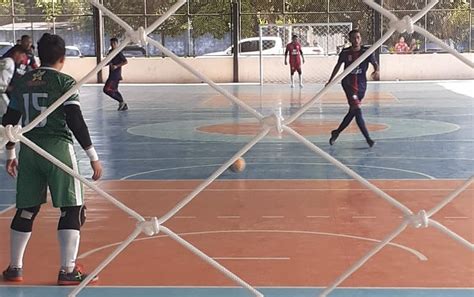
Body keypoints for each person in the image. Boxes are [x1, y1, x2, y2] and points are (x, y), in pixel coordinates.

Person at [2, 33, 102, 285]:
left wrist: (11, 153)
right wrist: (93, 156)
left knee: (26, 209)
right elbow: (75, 121)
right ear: (63, 57)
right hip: (57, 150)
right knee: (72, 208)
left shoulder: (23, 82)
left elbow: (9, 122)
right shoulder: (65, 82)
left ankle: (15, 267)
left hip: (29, 150)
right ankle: (68, 270)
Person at [326, 29, 379, 148]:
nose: (356, 40)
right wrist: (330, 80)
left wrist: (376, 71)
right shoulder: (345, 52)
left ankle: (336, 132)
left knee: (352, 112)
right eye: (354, 38)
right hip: (349, 84)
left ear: (361, 38)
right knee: (357, 110)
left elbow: (375, 64)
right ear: (349, 40)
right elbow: (338, 66)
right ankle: (368, 139)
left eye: (358, 37)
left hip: (361, 85)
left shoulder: (366, 51)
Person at [0, 46, 26, 116]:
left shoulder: (12, 64)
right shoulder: (9, 61)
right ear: (17, 53)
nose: (23, 59)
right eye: (22, 55)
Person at [103, 37, 128, 111]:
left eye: (114, 43)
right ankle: (122, 103)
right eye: (111, 43)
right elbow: (108, 61)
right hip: (111, 74)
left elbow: (125, 61)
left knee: (107, 89)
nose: (113, 45)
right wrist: (103, 64)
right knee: (114, 90)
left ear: (117, 44)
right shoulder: (111, 52)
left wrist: (116, 66)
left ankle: (122, 102)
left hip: (115, 75)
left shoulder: (118, 52)